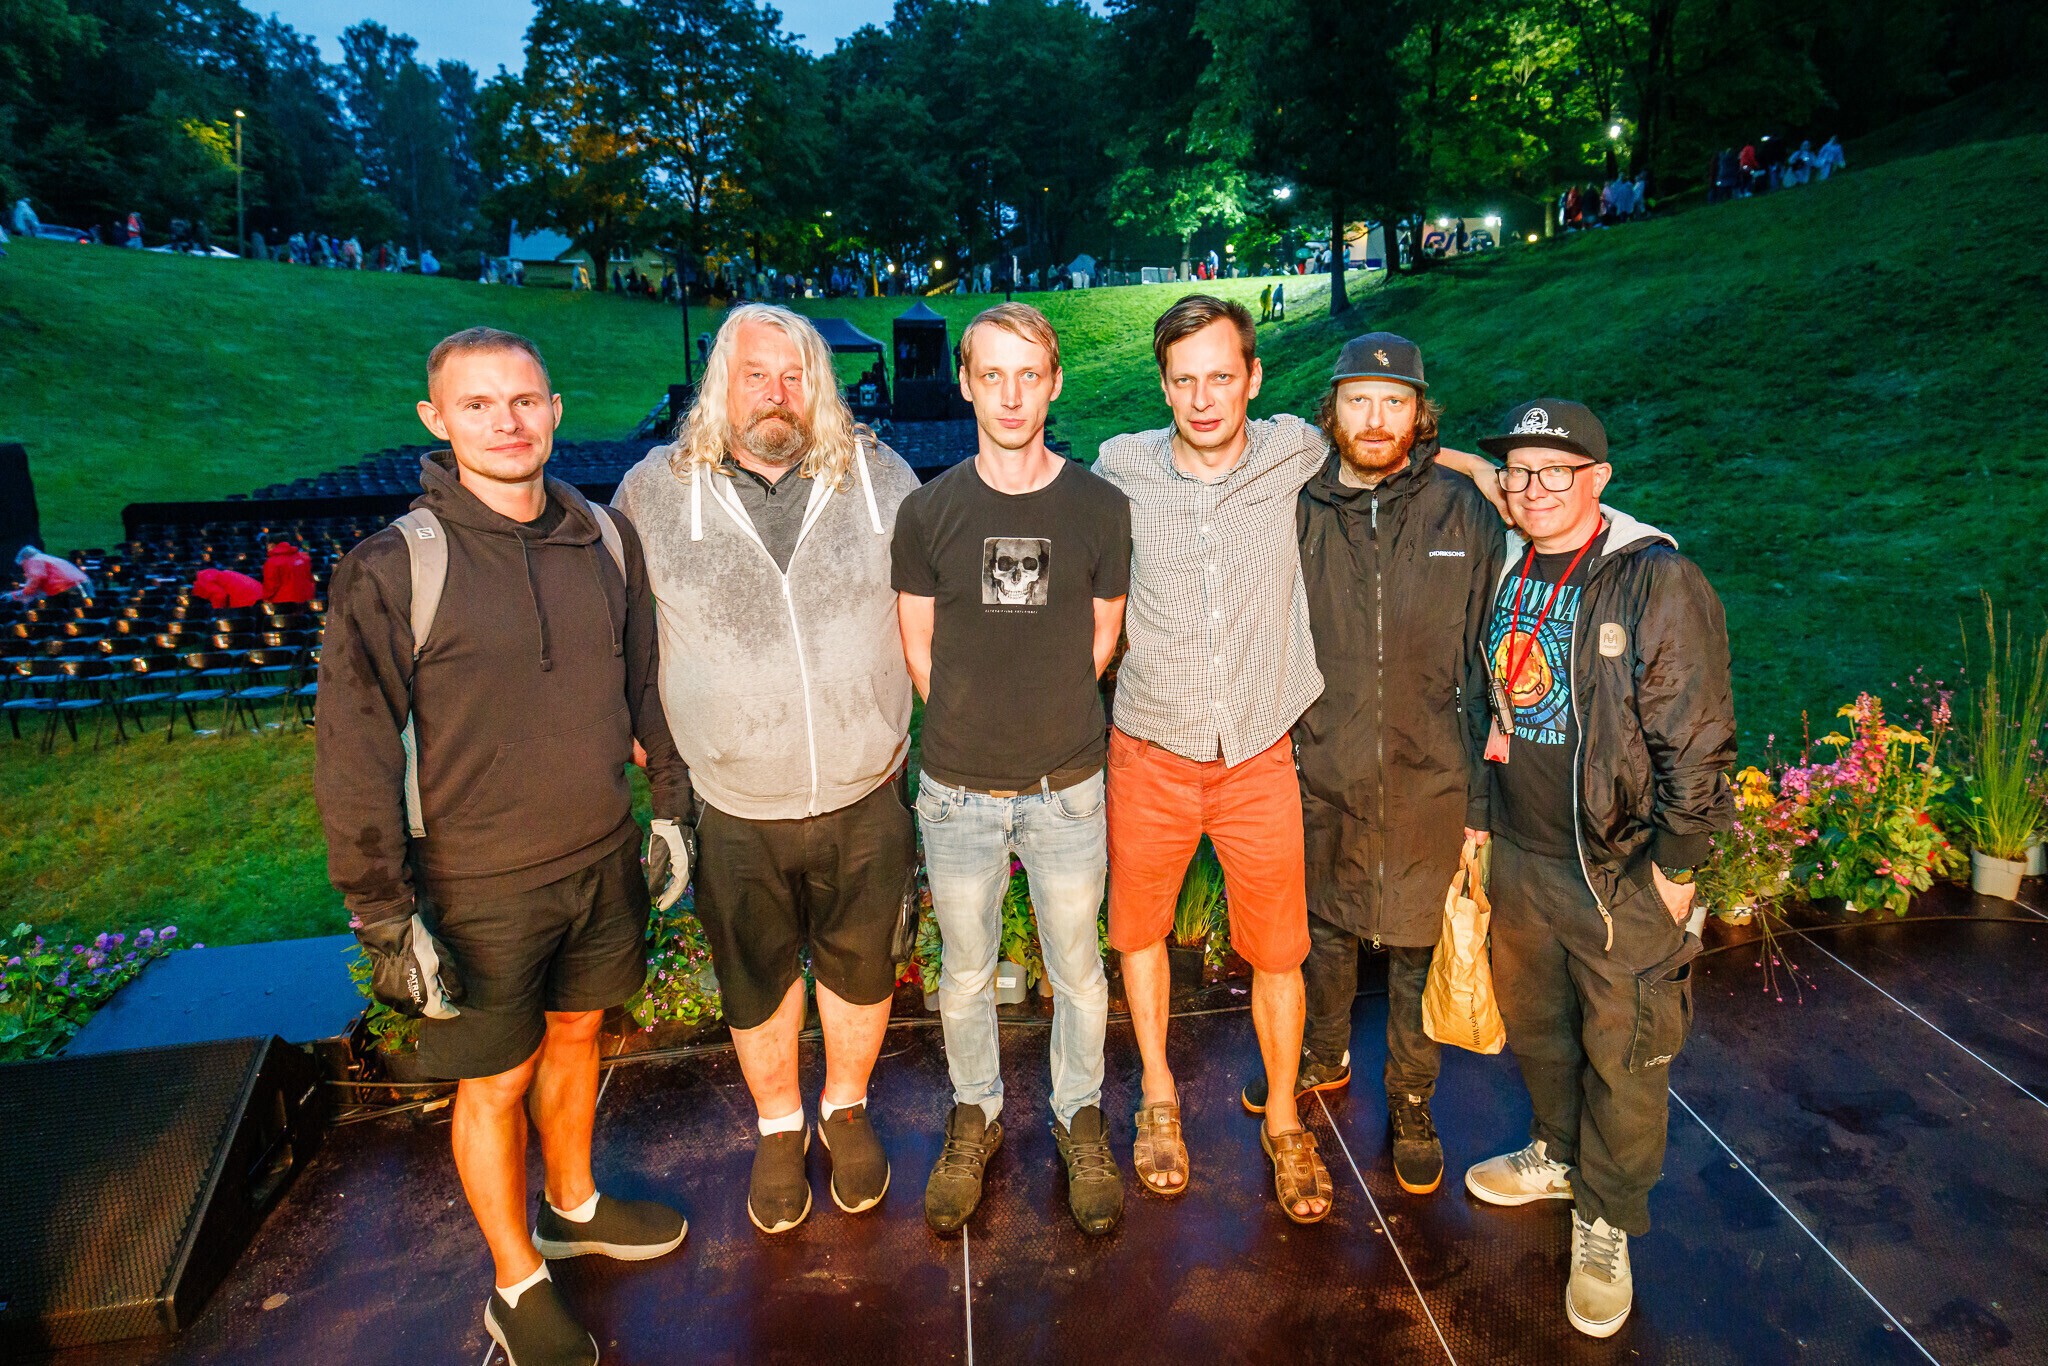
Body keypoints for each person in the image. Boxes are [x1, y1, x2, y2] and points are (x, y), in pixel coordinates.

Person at [315, 327, 692, 1366]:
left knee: (576, 1036)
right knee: (494, 1080)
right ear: (435, 419)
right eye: (477, 405)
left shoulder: (606, 538)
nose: (506, 422)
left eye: (524, 400)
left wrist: (667, 804)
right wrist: (383, 913)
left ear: (555, 411)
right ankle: (516, 1281)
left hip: (598, 856)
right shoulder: (392, 566)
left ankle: (572, 1206)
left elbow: (643, 682)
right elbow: (352, 750)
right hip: (475, 881)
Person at [615, 304, 921, 1238]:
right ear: (722, 384)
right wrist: (653, 749)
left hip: (866, 785)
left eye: (794, 377)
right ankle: (781, 1124)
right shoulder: (654, 491)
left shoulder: (882, 476)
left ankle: (847, 1108)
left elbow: (930, 613)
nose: (775, 395)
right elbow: (621, 638)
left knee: (863, 966)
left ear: (819, 386)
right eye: (756, 375)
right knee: (754, 977)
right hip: (733, 799)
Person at [1462, 398, 1734, 1339]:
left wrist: (1678, 867)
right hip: (1524, 853)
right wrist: (1483, 821)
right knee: (1541, 1031)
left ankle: (1608, 1219)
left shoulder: (1655, 579)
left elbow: (1696, 733)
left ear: (1600, 479)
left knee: (1626, 1053)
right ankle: (1558, 1153)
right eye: (1518, 471)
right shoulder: (1509, 566)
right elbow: (1493, 704)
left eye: (1557, 471)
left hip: (1617, 867)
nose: (1534, 489)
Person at [894, 303, 1132, 1238]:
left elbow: (1103, 637)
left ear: (1055, 382)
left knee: (1078, 969)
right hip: (956, 791)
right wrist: (975, 724)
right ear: (965, 383)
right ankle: (976, 1113)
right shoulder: (928, 511)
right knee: (964, 973)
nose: (1011, 395)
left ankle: (1080, 1116)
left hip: (1067, 788)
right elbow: (919, 646)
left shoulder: (1100, 507)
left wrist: (1046, 718)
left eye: (1029, 374)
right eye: (991, 374)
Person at [1255, 334, 1506, 1200]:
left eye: (1394, 402)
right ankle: (1323, 1054)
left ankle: (1411, 1098)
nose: (1375, 418)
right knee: (1322, 922)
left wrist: (1483, 788)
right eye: (1358, 400)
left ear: (1419, 413)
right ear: (1330, 411)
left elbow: (1496, 652)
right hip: (1322, 757)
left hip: (1434, 765)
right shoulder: (1298, 506)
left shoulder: (1462, 511)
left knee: (1416, 940)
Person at [9, 545, 93, 602]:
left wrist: (12, 595)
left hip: (75, 587)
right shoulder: (45, 558)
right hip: (81, 584)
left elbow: (33, 586)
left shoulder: (34, 561)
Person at [190, 565, 263, 608]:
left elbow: (220, 596)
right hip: (258, 594)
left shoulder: (202, 580)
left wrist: (217, 613)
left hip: (248, 599)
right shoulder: (209, 574)